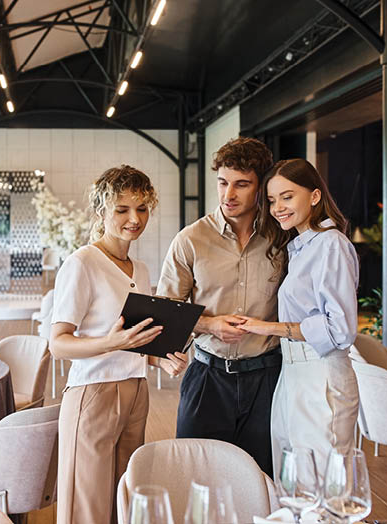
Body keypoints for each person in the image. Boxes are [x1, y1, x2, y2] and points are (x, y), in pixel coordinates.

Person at [50, 165, 187, 524]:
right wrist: (111, 343)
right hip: (94, 391)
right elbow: (58, 344)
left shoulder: (139, 269)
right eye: (122, 209)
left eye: (141, 209)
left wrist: (160, 361)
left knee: (124, 499)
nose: (134, 219)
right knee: (87, 505)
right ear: (101, 212)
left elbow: (134, 340)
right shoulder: (82, 263)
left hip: (137, 391)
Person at [157, 136, 280, 476]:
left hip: (268, 379)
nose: (229, 194)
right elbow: (167, 307)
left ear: (260, 187)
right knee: (198, 477)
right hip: (208, 377)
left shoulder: (282, 238)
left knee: (261, 480)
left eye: (242, 184)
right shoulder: (190, 239)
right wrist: (209, 325)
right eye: (223, 183)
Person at [236, 158, 359, 476]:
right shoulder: (301, 246)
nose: (278, 208)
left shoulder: (331, 245)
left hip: (321, 374)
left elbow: (340, 329)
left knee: (321, 482)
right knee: (290, 478)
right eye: (273, 200)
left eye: (287, 197)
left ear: (315, 196)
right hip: (291, 372)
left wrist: (268, 327)